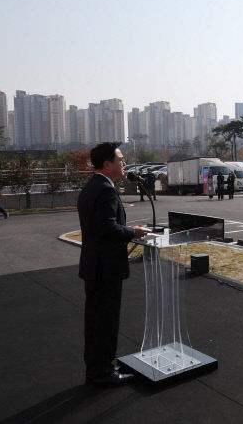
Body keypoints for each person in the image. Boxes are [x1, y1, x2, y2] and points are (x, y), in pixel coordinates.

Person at [77, 142, 150, 385]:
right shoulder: (106, 190)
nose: (124, 163)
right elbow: (107, 228)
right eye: (120, 159)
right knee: (106, 322)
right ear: (107, 164)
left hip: (93, 266)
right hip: (106, 268)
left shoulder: (91, 187)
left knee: (95, 321)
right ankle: (104, 373)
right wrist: (133, 232)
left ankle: (96, 368)